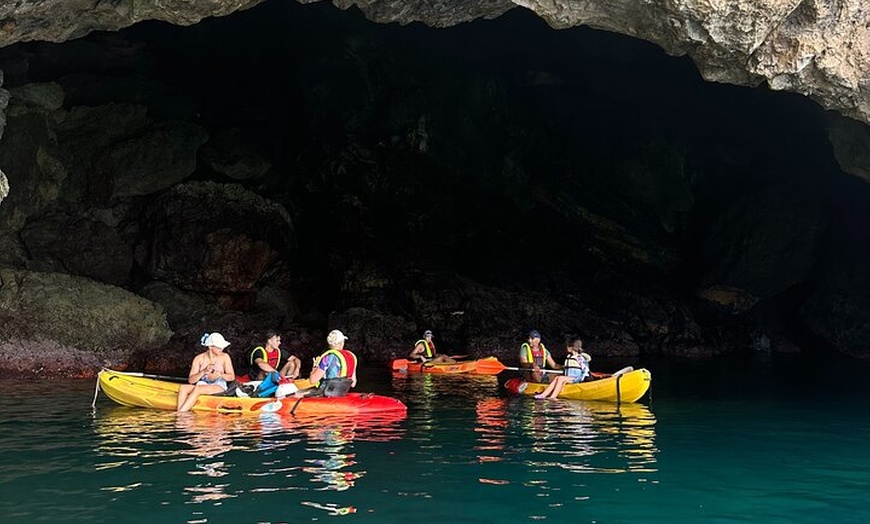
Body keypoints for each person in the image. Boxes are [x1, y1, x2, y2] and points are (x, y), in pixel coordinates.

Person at [177, 332, 236, 412]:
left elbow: (232, 377)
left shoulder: (225, 357)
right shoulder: (199, 358)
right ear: (210, 346)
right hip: (203, 384)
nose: (222, 349)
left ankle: (180, 413)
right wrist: (203, 372)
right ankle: (180, 411)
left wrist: (220, 375)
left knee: (198, 389)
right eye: (219, 347)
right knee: (183, 388)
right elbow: (191, 380)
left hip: (219, 386)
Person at [295, 329, 358, 398]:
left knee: (296, 394)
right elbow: (353, 383)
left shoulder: (327, 358)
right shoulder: (351, 357)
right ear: (340, 343)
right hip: (342, 393)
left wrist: (314, 367)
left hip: (325, 393)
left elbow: (313, 380)